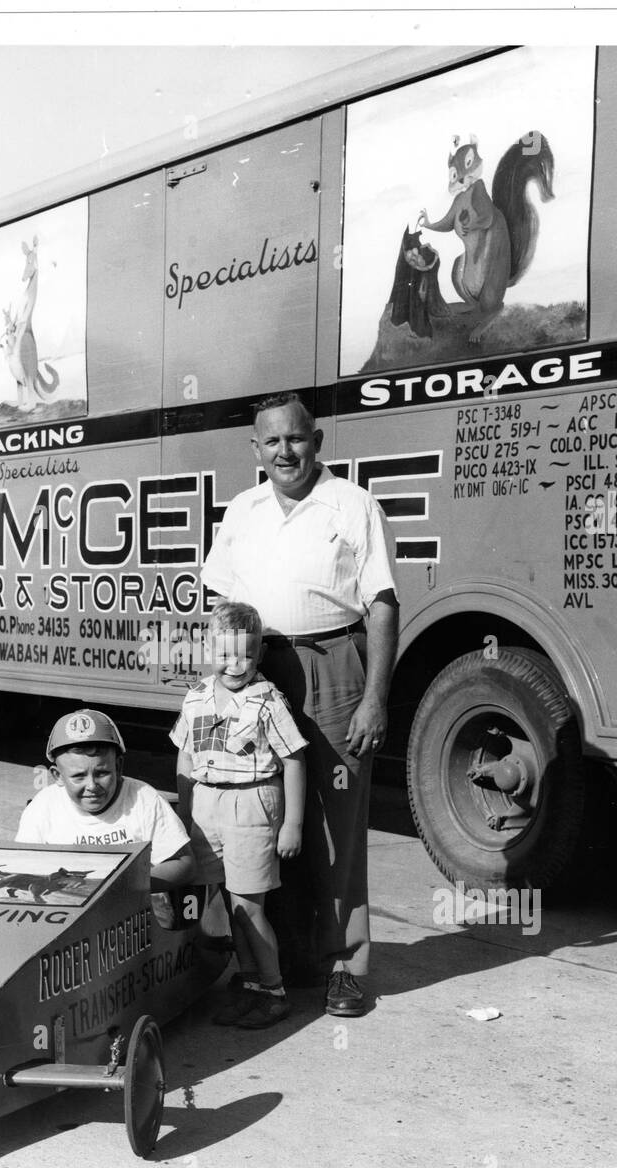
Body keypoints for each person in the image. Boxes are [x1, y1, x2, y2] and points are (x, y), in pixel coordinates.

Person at [199, 392, 399, 1018]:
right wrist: (218, 685)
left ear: (318, 440)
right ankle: (278, 965)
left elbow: (384, 605)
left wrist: (374, 698)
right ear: (254, 450)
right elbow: (221, 604)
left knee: (334, 820)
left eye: (296, 438)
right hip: (259, 671)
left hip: (333, 665)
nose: (285, 451)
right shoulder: (243, 509)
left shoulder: (354, 505)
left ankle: (346, 966)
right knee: (264, 815)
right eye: (271, 442)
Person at [171, 601, 307, 1029]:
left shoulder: (266, 700)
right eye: (226, 654)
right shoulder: (196, 697)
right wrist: (186, 811)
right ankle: (249, 986)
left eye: (247, 655)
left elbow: (295, 760)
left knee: (249, 907)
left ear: (260, 655)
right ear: (210, 648)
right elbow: (185, 757)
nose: (236, 664)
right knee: (231, 905)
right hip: (207, 806)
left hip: (251, 805)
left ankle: (274, 990)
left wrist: (293, 823)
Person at [16, 708, 194, 924]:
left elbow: (185, 864)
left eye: (102, 773)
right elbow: (25, 864)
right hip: (68, 910)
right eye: (78, 776)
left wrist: (128, 885)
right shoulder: (44, 805)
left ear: (118, 767)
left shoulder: (144, 798)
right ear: (57, 776)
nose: (92, 786)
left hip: (138, 904)